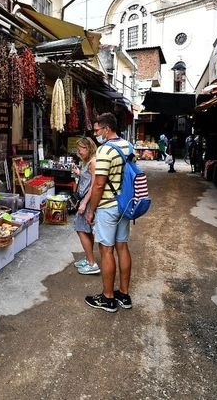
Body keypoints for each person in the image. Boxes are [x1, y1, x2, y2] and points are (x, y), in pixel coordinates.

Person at [84, 113, 133, 313]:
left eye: (97, 130)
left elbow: (98, 185)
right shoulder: (128, 146)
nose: (96, 134)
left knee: (106, 250)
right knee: (122, 247)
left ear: (106, 129)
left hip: (108, 206)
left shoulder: (104, 150)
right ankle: (124, 294)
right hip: (124, 204)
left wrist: (91, 210)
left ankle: (108, 298)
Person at [71, 137, 99, 275]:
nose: (79, 152)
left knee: (80, 229)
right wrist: (79, 173)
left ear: (88, 148)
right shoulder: (87, 162)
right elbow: (87, 179)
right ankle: (89, 259)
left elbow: (94, 186)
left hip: (87, 201)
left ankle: (92, 263)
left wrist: (84, 203)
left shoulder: (93, 162)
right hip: (85, 200)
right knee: (86, 230)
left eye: (80, 149)